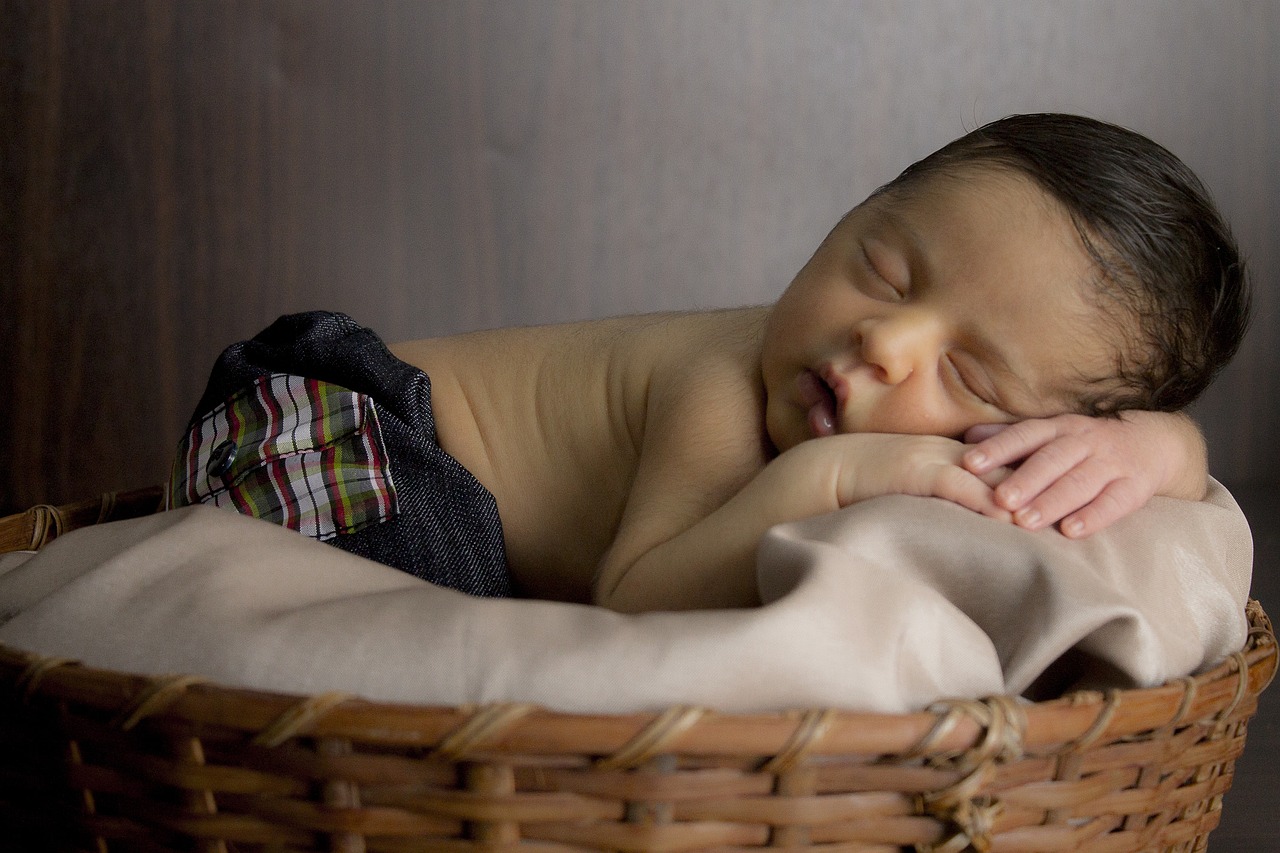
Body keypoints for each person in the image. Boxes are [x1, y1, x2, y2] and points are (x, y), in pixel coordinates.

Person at [169, 113, 1250, 613]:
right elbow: (638, 597)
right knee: (432, 641)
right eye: (878, 267)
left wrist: (1153, 442)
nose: (883, 341)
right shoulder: (724, 389)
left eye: (970, 381)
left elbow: (1156, 468)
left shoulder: (983, 424)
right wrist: (825, 480)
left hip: (365, 452)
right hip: (335, 427)